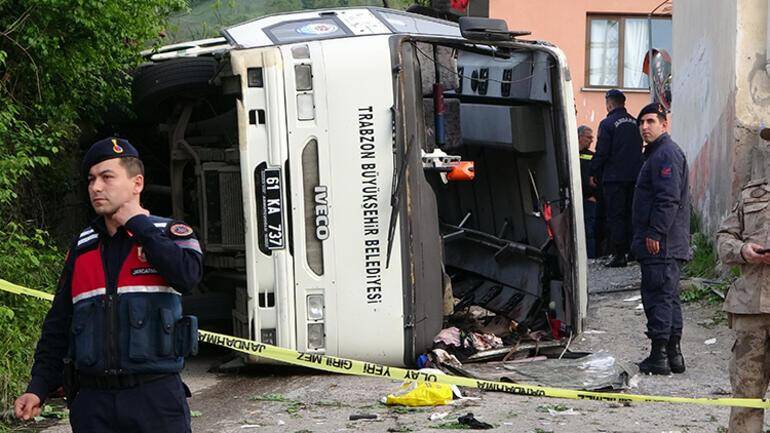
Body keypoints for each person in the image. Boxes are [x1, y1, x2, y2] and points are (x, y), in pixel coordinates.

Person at [13, 137, 203, 433]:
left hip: (155, 399)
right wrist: (37, 387)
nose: (95, 187)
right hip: (93, 404)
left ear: (137, 183)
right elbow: (58, 324)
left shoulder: (170, 233)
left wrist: (139, 227)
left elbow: (188, 276)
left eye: (106, 177)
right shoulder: (82, 248)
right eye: (91, 179)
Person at [630, 103, 691, 375]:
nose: (644, 127)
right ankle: (673, 356)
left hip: (661, 243)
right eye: (641, 122)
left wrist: (655, 232)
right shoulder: (658, 154)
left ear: (664, 124)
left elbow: (668, 198)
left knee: (657, 296)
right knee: (669, 297)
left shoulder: (665, 154)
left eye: (651, 121)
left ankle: (659, 356)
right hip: (668, 241)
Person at [716, 172, 770, 432]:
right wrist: (742, 251)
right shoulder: (751, 194)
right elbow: (724, 238)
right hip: (750, 310)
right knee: (746, 394)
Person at [590, 89, 643, 267]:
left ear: (609, 103)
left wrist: (593, 172)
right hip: (635, 177)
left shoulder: (607, 123)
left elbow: (602, 151)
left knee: (616, 215)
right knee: (632, 214)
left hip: (614, 178)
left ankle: (619, 254)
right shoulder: (636, 123)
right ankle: (633, 252)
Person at [578, 125, 598, 258]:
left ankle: (590, 259)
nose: (591, 141)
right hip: (574, 199)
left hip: (589, 199)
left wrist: (593, 195)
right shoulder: (569, 153)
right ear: (579, 137)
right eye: (588, 137)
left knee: (589, 232)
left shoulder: (592, 156)